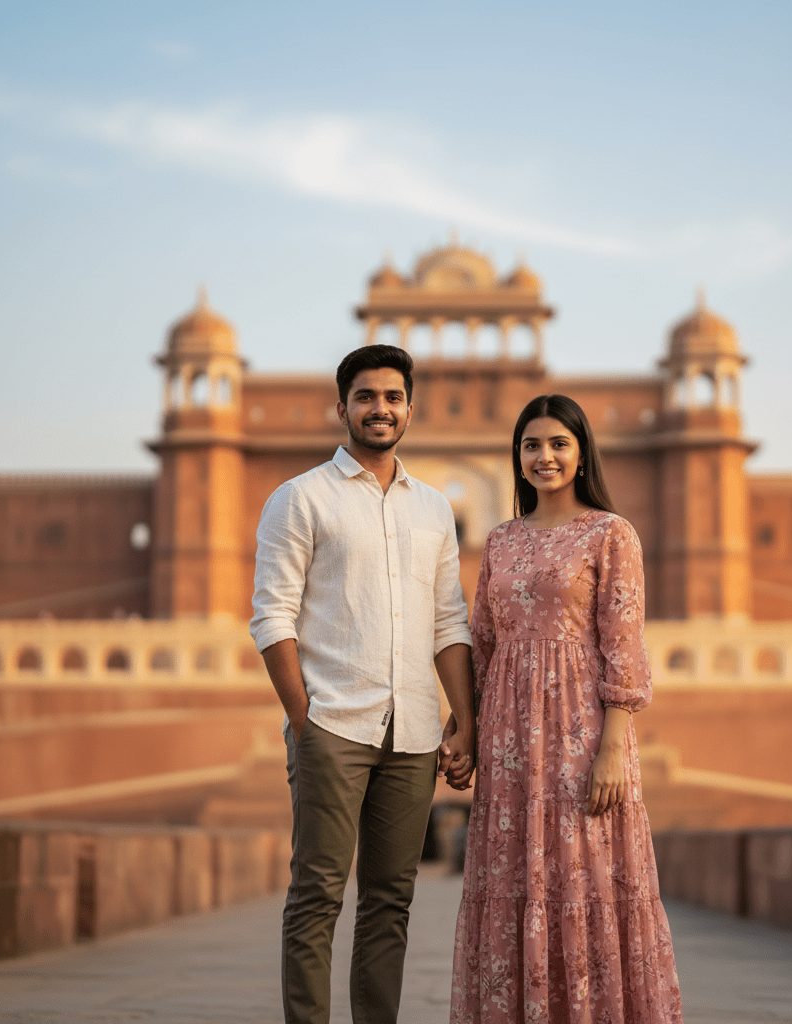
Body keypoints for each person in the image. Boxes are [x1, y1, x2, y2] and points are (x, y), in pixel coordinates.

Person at [250, 344, 476, 1024]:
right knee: (318, 893)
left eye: (393, 397)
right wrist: (304, 719)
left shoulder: (433, 507)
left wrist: (463, 720)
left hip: (410, 728)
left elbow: (448, 620)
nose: (381, 409)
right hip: (334, 724)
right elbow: (271, 614)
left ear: (410, 407)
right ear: (342, 406)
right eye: (367, 397)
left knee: (390, 900)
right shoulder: (301, 497)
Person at [449, 394, 683, 1024]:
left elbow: (623, 645)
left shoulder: (610, 533)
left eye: (558, 444)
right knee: (513, 876)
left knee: (587, 874)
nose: (544, 456)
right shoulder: (500, 541)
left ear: (581, 454)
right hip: (507, 735)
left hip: (583, 730)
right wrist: (465, 730)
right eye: (531, 445)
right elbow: (484, 642)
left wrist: (614, 748)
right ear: (517, 458)